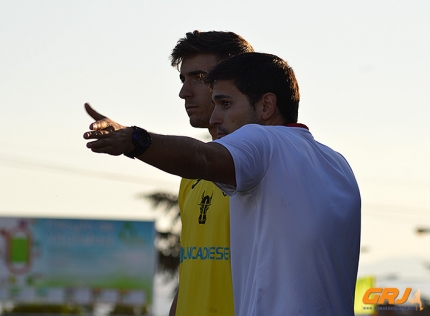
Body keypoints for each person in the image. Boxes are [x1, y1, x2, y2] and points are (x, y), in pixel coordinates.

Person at [83, 52, 361, 316]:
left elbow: (202, 158)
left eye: (225, 104)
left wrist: (134, 139)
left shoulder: (262, 140)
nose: (215, 119)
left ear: (266, 106)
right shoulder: (338, 163)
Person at [168, 31, 253, 315]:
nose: (184, 91)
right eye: (183, 79)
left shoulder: (266, 167)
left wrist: (134, 141)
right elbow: (191, 270)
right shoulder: (191, 175)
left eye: (199, 77)